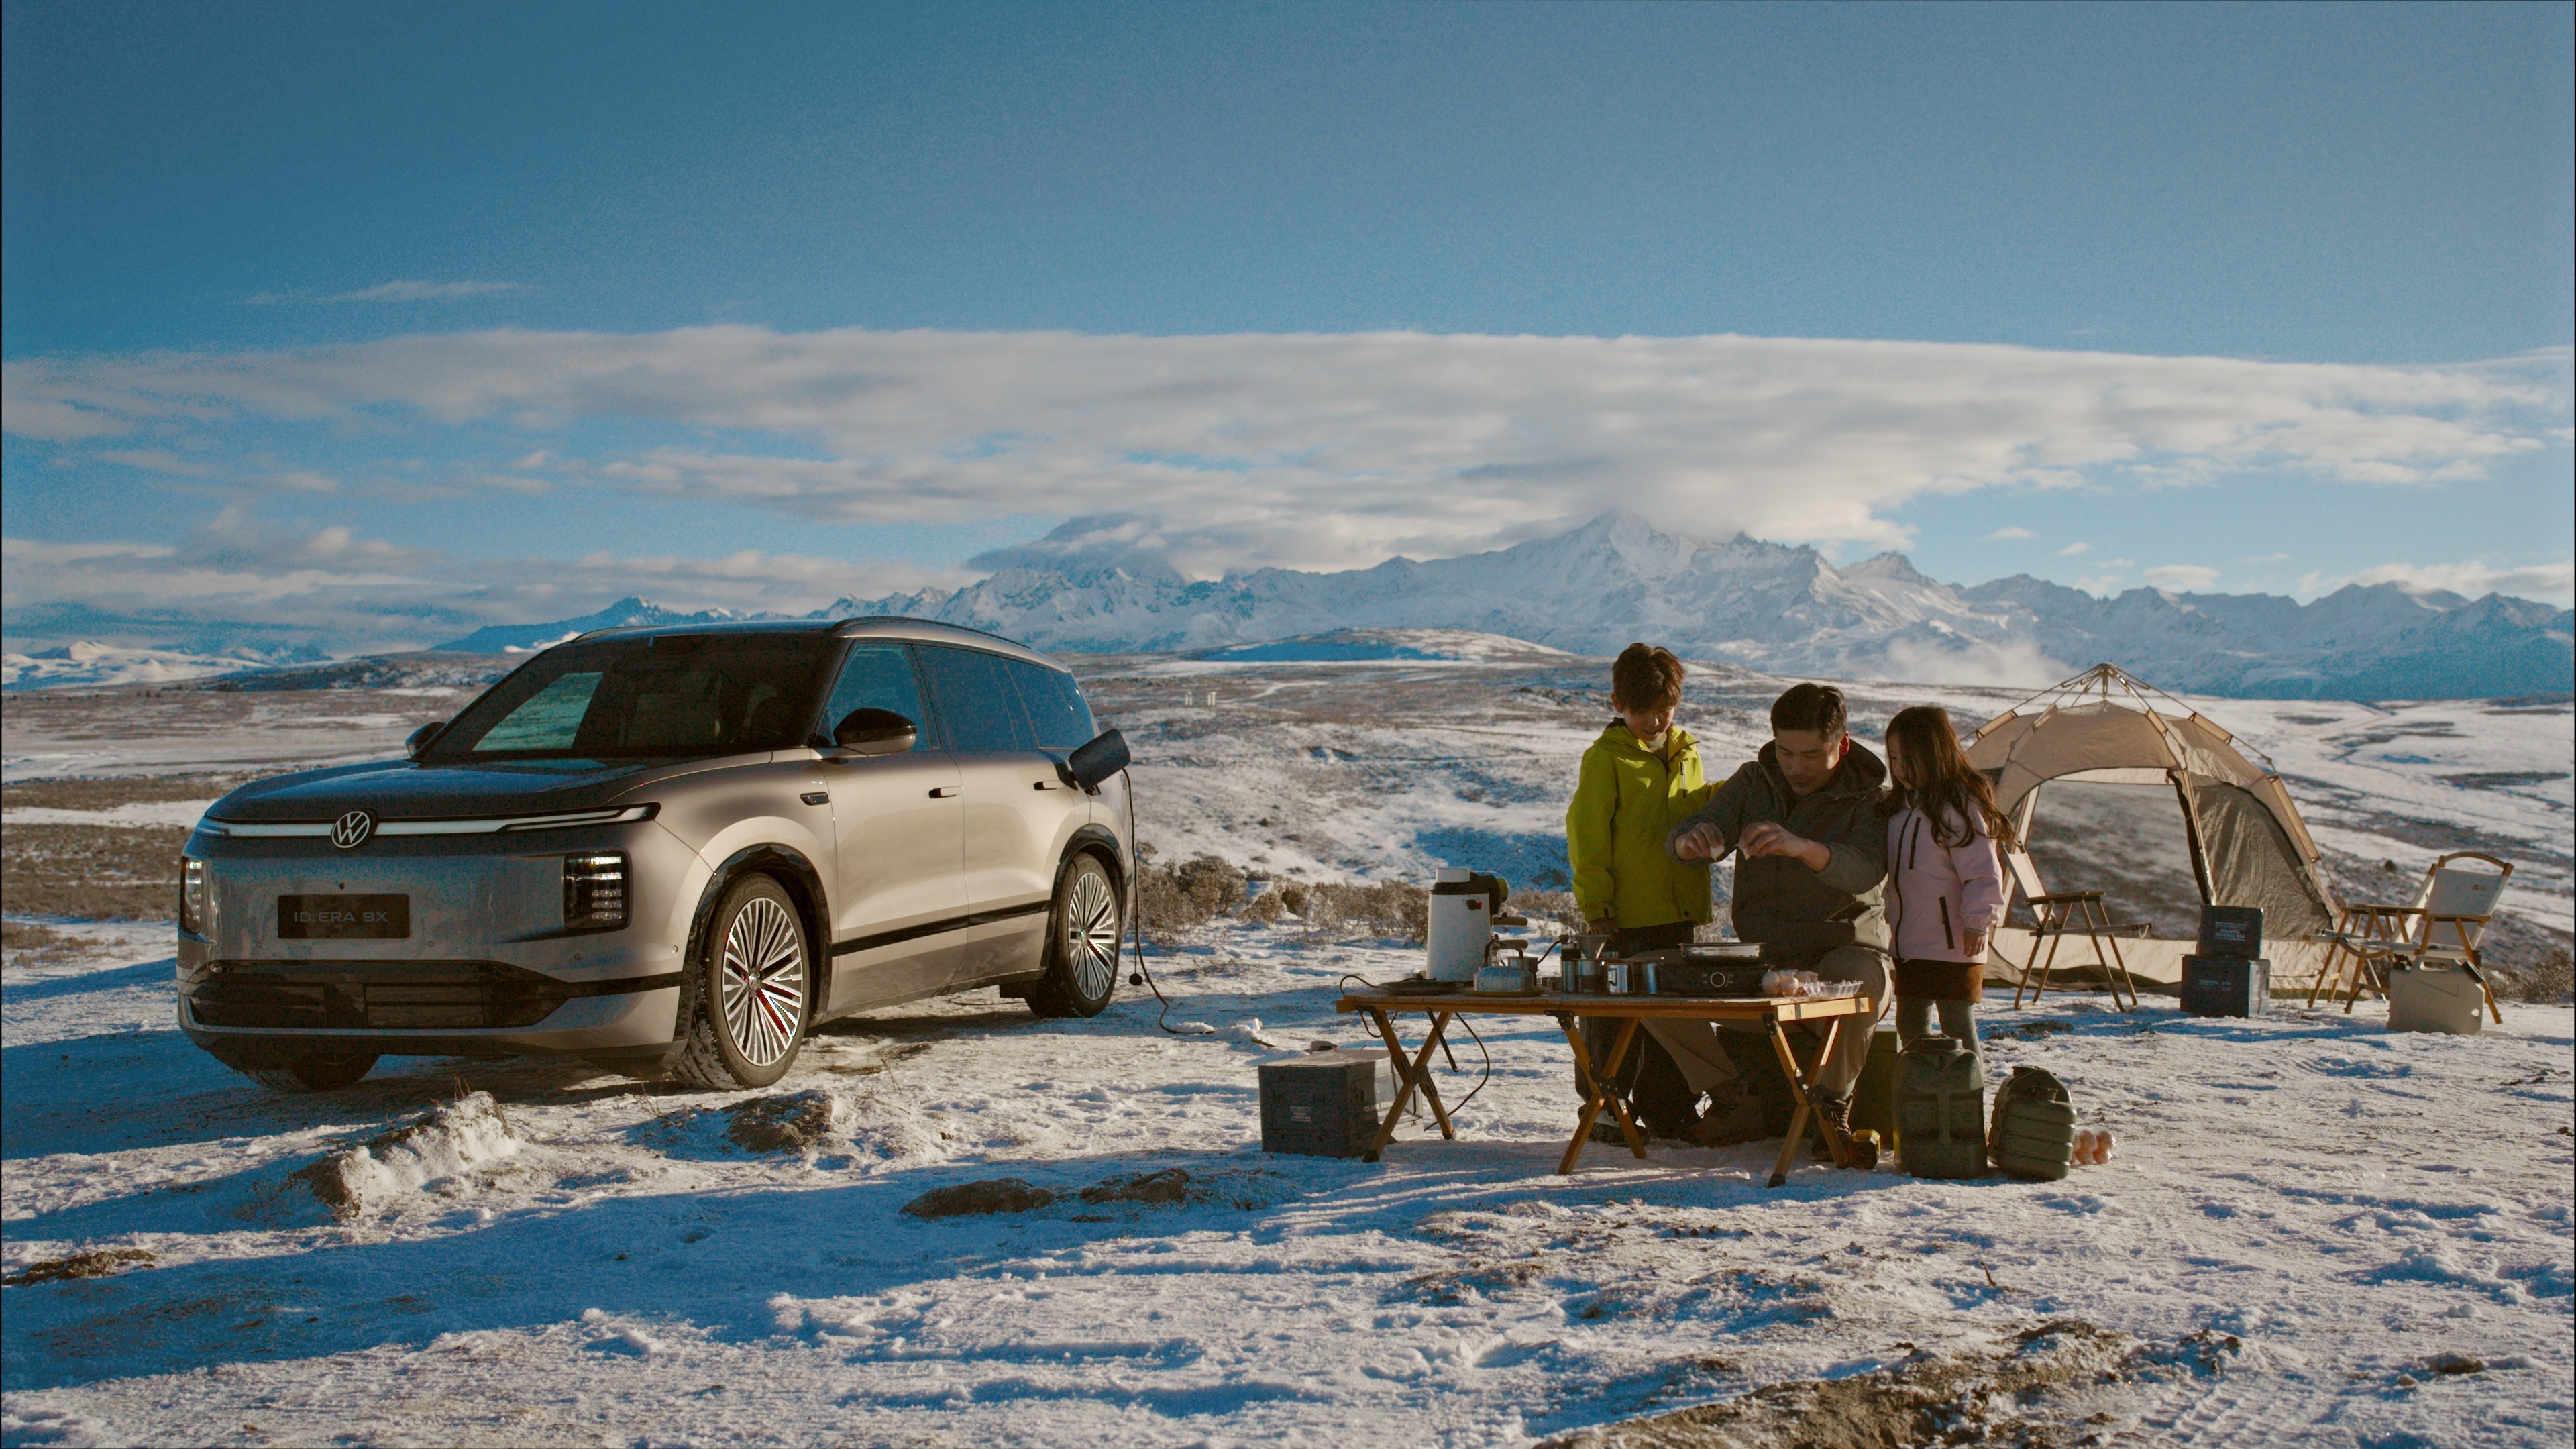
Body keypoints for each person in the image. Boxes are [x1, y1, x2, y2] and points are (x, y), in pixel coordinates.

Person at [1661, 683, 1891, 1145]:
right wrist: (1692, 842)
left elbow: (1866, 868)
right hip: (1766, 958)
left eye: (1811, 755)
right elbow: (1690, 833)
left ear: (1841, 745)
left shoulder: (1871, 799)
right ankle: (1732, 1096)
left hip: (1844, 950)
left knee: (1865, 987)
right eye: (1786, 752)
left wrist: (1804, 847)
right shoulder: (1753, 781)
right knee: (1656, 988)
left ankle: (1831, 1107)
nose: (1796, 767)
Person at [1564, 643, 1713, 1126]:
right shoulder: (1604, 759)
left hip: (1680, 911)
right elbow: (1587, 838)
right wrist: (1598, 906)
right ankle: (1605, 1106)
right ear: (1617, 705)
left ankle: (1670, 1111)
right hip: (1625, 915)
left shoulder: (1686, 751)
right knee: (1615, 1018)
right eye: (1642, 711)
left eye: (1664, 710)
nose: (1655, 721)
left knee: (1674, 1020)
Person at [1878, 704, 2009, 1058]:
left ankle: (1967, 1105)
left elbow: (1983, 870)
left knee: (1958, 1028)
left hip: (1956, 942)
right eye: (1894, 757)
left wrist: (1978, 922)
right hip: (1909, 942)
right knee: (1910, 1025)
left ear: (1935, 754)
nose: (1900, 768)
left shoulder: (1959, 806)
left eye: (1909, 758)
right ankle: (1924, 1096)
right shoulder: (1899, 808)